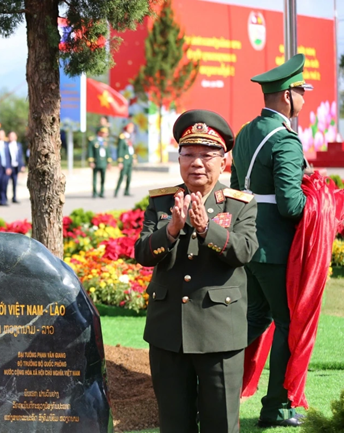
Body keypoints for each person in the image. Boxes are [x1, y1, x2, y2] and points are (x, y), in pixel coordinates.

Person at [135, 110, 259, 433]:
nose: (197, 163)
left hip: (219, 333)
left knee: (220, 423)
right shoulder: (163, 203)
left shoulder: (239, 204)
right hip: (168, 334)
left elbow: (245, 251)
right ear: (179, 159)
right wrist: (171, 231)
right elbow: (143, 253)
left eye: (207, 155)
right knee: (175, 424)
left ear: (224, 161)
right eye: (188, 154)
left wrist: (207, 231)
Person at [230, 53, 312, 428]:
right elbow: (292, 205)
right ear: (287, 96)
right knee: (286, 321)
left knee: (255, 318)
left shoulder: (247, 131)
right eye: (302, 92)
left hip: (246, 241)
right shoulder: (286, 140)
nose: (304, 99)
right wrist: (321, 203)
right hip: (276, 248)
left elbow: (235, 189)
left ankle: (213, 388)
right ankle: (275, 408)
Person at [88, 127, 111, 198]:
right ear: (99, 132)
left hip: (103, 162)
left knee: (103, 178)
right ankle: (94, 192)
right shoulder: (93, 140)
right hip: (96, 162)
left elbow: (107, 152)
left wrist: (109, 162)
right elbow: (90, 152)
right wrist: (91, 161)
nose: (105, 134)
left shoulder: (105, 141)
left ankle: (102, 192)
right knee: (95, 178)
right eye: (103, 133)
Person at [115, 123, 136, 197]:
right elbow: (120, 149)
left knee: (129, 177)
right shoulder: (122, 137)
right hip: (124, 160)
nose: (132, 130)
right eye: (131, 128)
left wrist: (133, 158)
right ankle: (116, 191)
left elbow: (131, 149)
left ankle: (126, 191)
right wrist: (120, 161)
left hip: (129, 160)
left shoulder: (129, 137)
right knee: (122, 176)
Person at [6, 131, 25, 204]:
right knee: (7, 183)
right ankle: (5, 197)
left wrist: (22, 165)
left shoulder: (19, 145)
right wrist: (8, 167)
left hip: (16, 166)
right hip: (9, 167)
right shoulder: (6, 145)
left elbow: (20, 156)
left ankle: (14, 197)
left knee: (15, 182)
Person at [0, 130, 12, 206]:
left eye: (2, 134)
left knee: (4, 184)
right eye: (0, 134)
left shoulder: (6, 144)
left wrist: (9, 167)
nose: (1, 136)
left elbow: (9, 156)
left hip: (5, 167)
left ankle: (3, 200)